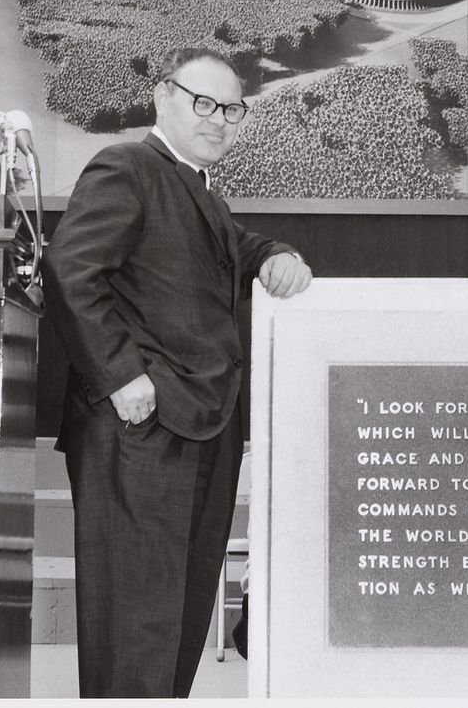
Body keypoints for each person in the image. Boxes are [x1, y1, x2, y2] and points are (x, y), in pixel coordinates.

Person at [43, 46, 312, 698]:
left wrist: (276, 253)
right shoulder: (128, 165)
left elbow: (232, 250)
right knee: (135, 625)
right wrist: (120, 374)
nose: (219, 119)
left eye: (232, 109)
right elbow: (70, 268)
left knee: (179, 620)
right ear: (163, 97)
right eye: (204, 103)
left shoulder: (199, 188)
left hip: (202, 428)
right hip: (141, 428)